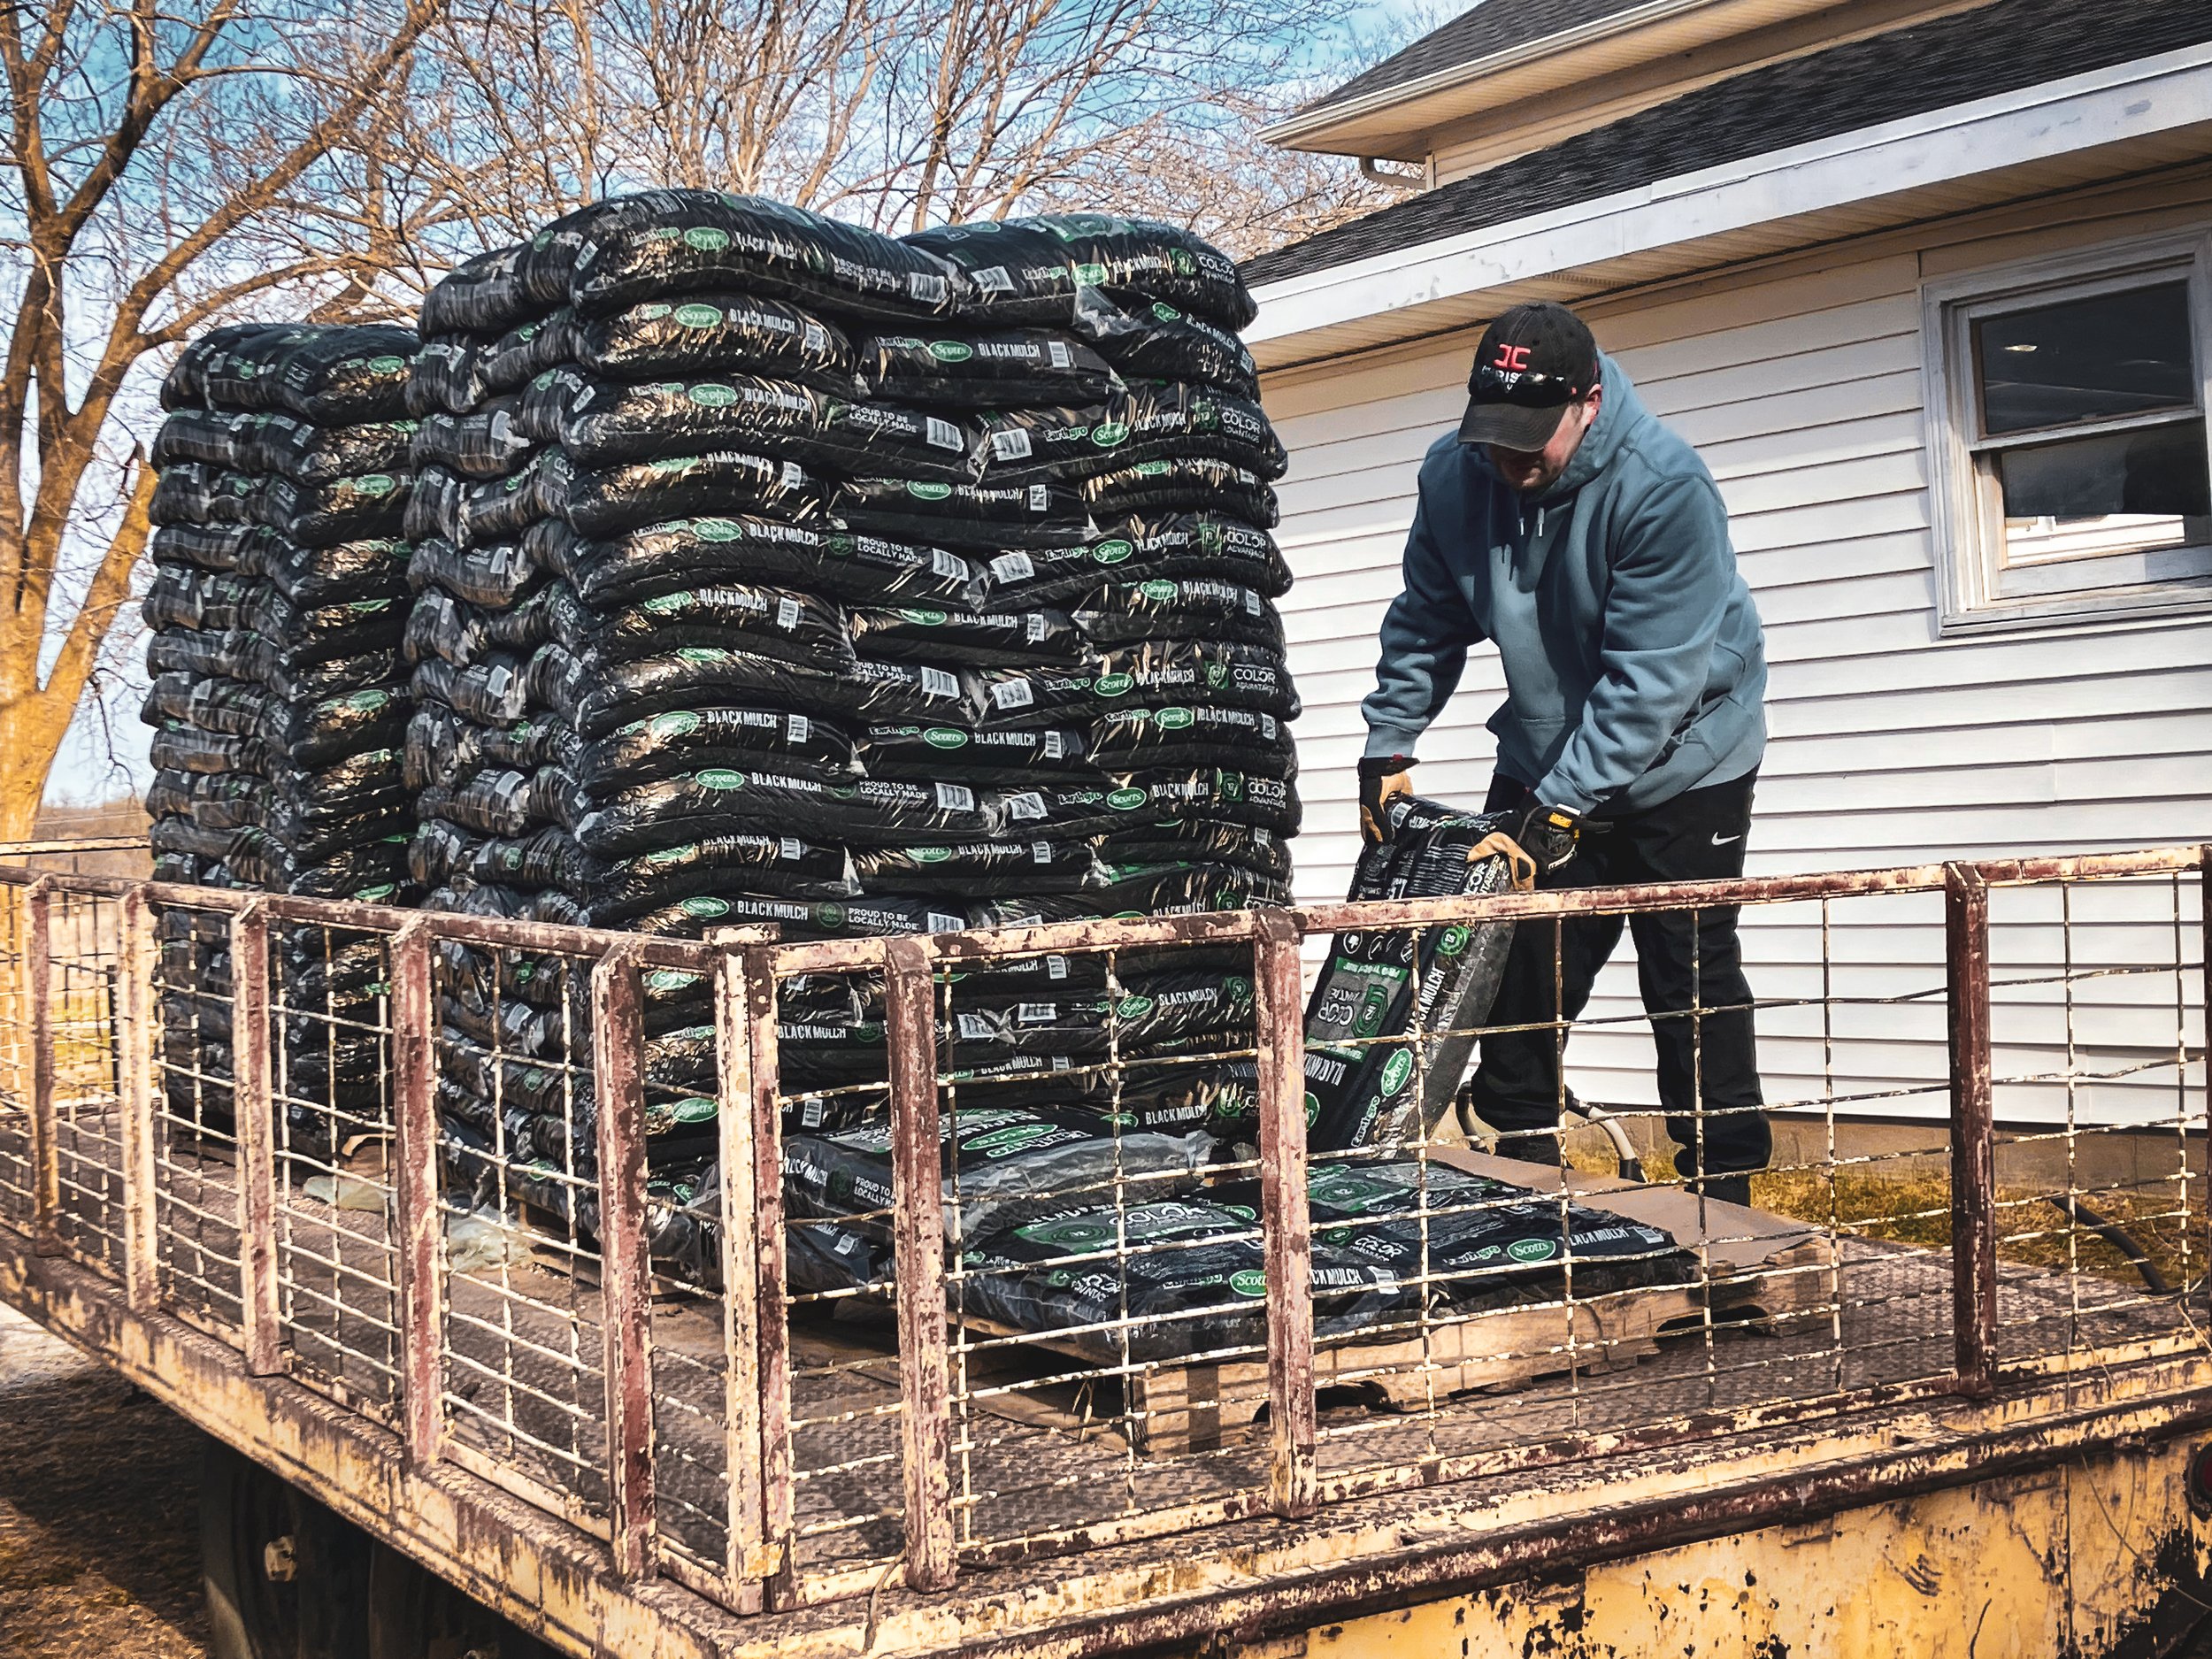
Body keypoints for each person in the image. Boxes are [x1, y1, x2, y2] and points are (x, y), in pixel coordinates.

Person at [1356, 301, 1770, 1203]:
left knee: (1687, 976)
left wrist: (1561, 806)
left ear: (1586, 402)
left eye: (1529, 441)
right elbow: (1428, 617)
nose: (1509, 463)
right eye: (1493, 437)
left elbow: (1652, 682)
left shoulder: (1663, 488)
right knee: (1519, 970)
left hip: (1686, 757)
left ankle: (1724, 1208)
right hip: (1548, 743)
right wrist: (1389, 740)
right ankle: (1519, 1184)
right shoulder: (1458, 475)